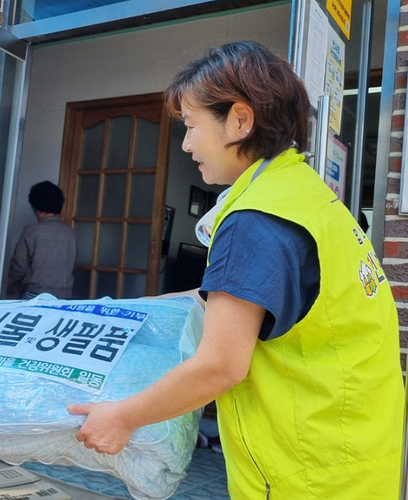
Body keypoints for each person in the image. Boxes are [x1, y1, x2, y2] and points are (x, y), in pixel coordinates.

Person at [68, 41, 403, 499]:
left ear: (240, 121)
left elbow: (220, 366)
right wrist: (109, 310)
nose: (186, 144)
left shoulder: (255, 219)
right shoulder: (307, 196)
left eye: (190, 126)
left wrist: (122, 416)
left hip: (303, 471)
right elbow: (228, 300)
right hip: (352, 455)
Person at [7, 180, 77, 299]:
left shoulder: (32, 231)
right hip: (64, 298)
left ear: (36, 206)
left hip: (35, 296)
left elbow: (18, 268)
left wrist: (2, 285)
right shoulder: (70, 234)